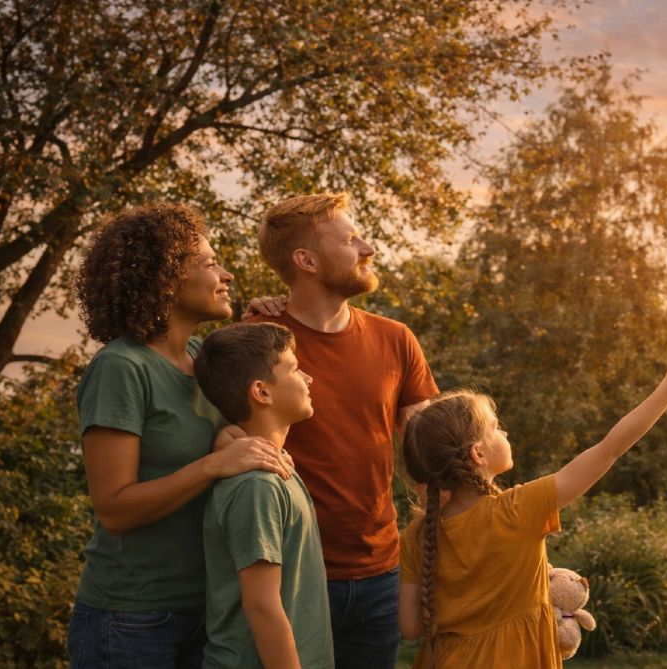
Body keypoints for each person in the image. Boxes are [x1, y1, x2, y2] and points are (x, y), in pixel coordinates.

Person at [68, 204, 291, 668]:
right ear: (166, 279)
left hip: (204, 607)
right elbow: (114, 508)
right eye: (210, 264)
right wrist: (213, 464)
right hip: (130, 619)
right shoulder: (121, 368)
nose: (225, 274)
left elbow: (270, 401)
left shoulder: (199, 357)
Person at [398, 350, 667, 668]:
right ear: (478, 454)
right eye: (496, 427)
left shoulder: (417, 534)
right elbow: (609, 449)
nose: (505, 432)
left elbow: (411, 627)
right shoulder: (518, 509)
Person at [247, 192, 439, 668]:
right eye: (352, 239)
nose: (368, 248)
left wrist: (440, 554)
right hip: (290, 575)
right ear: (306, 260)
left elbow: (431, 461)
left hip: (380, 574)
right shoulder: (257, 338)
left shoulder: (397, 340)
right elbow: (230, 439)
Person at [195, 322, 333, 669]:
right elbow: (262, 607)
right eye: (295, 369)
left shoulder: (274, 469)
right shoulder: (257, 485)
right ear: (262, 392)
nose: (308, 378)